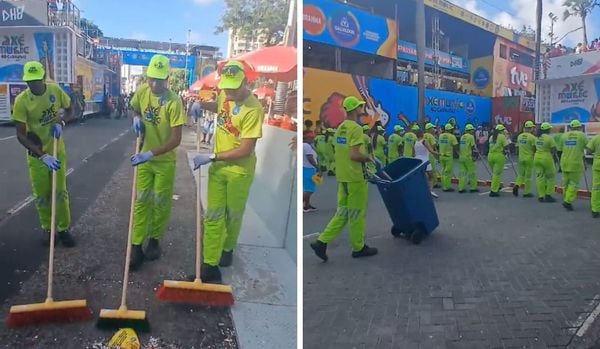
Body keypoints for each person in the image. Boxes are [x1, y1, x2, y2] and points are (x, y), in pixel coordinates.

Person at [192, 60, 264, 282]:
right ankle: (209, 264)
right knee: (213, 216)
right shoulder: (226, 93)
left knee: (232, 216)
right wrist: (202, 105)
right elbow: (220, 106)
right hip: (218, 169)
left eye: (234, 87)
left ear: (244, 81)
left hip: (239, 172)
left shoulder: (254, 109)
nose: (229, 92)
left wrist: (212, 156)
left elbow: (245, 149)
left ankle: (228, 248)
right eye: (226, 87)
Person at [128, 54, 185, 271]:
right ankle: (136, 245)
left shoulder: (174, 101)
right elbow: (134, 107)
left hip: (164, 161)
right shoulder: (142, 92)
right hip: (144, 157)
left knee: (160, 202)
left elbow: (176, 139)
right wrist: (136, 118)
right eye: (152, 78)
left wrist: (151, 153)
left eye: (159, 80)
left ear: (167, 79)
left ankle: (154, 240)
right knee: (141, 201)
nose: (154, 84)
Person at [11, 61, 76, 247]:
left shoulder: (55, 91)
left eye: (36, 81)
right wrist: (42, 156)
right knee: (41, 194)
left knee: (60, 192)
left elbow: (72, 109)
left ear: (43, 77)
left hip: (56, 151)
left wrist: (62, 122)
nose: (33, 85)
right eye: (29, 82)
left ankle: (64, 229)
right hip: (37, 154)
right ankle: (48, 229)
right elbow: (20, 135)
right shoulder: (22, 101)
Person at [310, 96, 378, 262]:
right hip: (355, 177)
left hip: (343, 176)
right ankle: (358, 247)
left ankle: (322, 241)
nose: (361, 109)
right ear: (355, 109)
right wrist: (369, 158)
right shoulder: (355, 128)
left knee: (343, 212)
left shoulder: (341, 128)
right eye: (360, 107)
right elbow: (354, 155)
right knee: (356, 214)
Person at [559, 120, 588, 211]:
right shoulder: (582, 135)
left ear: (570, 127)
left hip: (564, 162)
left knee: (566, 183)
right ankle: (568, 201)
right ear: (579, 127)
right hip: (575, 163)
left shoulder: (564, 135)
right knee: (574, 184)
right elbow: (588, 147)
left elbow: (560, 149)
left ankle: (566, 198)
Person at [534, 122, 558, 203]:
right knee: (550, 177)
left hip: (537, 157)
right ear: (548, 129)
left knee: (539, 177)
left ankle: (541, 196)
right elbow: (554, 149)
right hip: (546, 157)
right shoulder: (549, 138)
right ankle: (548, 195)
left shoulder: (537, 137)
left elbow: (534, 147)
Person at [414, 126, 439, 198]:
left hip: (418, 161)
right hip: (425, 161)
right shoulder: (424, 141)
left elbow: (414, 153)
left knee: (421, 177)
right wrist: (439, 154)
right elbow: (431, 151)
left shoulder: (415, 142)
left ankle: (420, 191)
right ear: (422, 134)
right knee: (430, 177)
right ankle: (430, 190)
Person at [514, 121, 537, 197]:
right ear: (530, 128)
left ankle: (517, 185)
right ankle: (527, 192)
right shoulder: (533, 137)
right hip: (529, 158)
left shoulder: (519, 136)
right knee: (528, 176)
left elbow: (517, 148)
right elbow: (534, 148)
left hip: (521, 157)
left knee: (521, 174)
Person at [487, 124, 509, 197]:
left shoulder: (491, 137)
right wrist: (506, 152)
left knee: (494, 173)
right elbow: (506, 146)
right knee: (497, 174)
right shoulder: (502, 137)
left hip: (490, 156)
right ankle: (494, 191)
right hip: (498, 156)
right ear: (502, 130)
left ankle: (497, 185)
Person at [303, 130, 321, 212]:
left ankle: (307, 205)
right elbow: (310, 158)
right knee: (309, 190)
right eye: (311, 138)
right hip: (308, 169)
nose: (313, 139)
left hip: (308, 168)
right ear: (307, 138)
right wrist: (317, 167)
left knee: (309, 188)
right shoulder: (306, 146)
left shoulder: (307, 145)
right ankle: (302, 205)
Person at [458, 124, 478, 193]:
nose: (473, 131)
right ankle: (473, 187)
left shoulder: (462, 137)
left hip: (461, 157)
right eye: (472, 130)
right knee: (472, 173)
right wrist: (475, 156)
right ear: (470, 130)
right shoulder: (471, 137)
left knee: (462, 173)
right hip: (468, 157)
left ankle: (461, 188)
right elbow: (473, 147)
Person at [438, 123, 458, 192]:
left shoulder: (440, 136)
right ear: (450, 129)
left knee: (443, 170)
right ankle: (446, 187)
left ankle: (444, 184)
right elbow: (455, 146)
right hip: (448, 156)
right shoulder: (452, 136)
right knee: (448, 172)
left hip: (441, 155)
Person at [586, 133, 600, 218]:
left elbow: (588, 151)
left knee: (596, 188)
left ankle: (595, 210)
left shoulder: (596, 138)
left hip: (597, 165)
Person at [424, 123, 439, 188]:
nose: (434, 129)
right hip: (430, 154)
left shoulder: (423, 135)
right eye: (432, 128)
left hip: (424, 155)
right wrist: (437, 154)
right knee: (433, 169)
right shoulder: (431, 136)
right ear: (429, 129)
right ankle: (434, 183)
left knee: (426, 170)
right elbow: (434, 146)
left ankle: (426, 182)